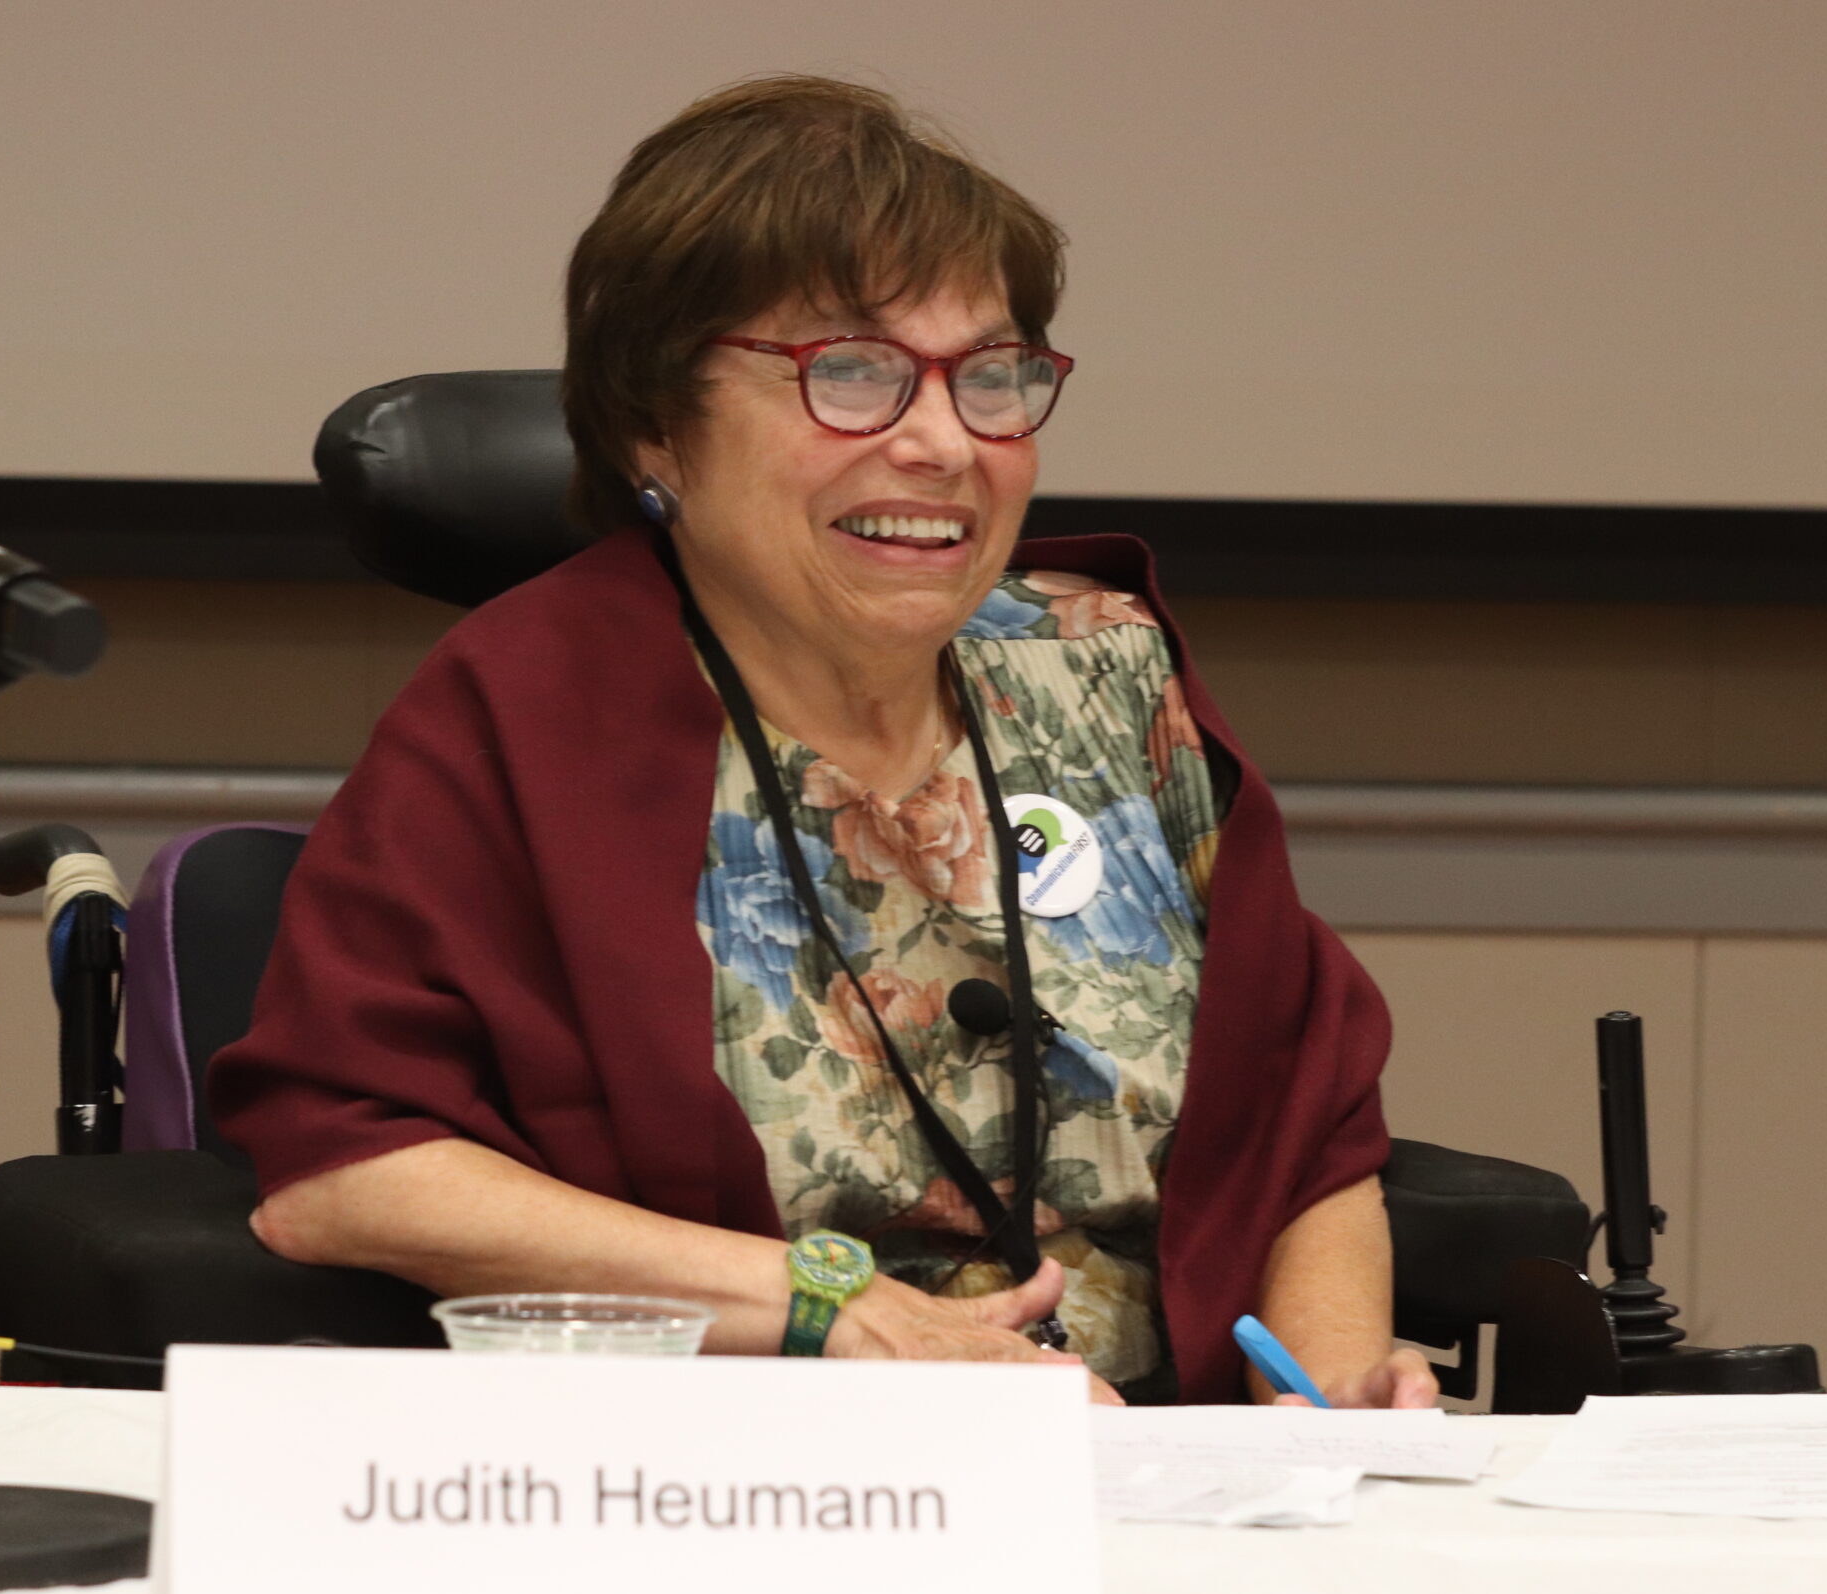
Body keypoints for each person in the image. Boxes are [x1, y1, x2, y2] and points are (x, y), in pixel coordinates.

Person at [212, 75, 1437, 1409]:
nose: (941, 443)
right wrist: (832, 1313)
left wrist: (1319, 1404)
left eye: (991, 376)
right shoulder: (526, 708)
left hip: (1159, 1491)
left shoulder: (1100, 666)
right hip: (752, 1494)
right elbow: (341, 1176)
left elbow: (1304, 1123)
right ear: (653, 424)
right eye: (850, 373)